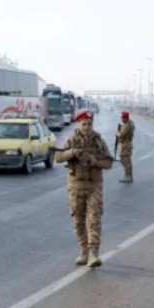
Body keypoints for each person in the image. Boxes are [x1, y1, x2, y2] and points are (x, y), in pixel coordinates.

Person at [55, 110, 114, 267]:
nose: (87, 127)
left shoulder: (99, 142)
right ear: (78, 124)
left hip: (94, 186)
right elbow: (58, 157)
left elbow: (109, 163)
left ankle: (94, 253)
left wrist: (95, 162)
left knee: (94, 219)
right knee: (78, 219)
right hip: (76, 186)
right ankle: (84, 251)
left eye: (89, 124)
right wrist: (72, 152)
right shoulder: (72, 140)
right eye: (84, 124)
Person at [116, 110, 135, 183]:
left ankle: (128, 176)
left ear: (125, 118)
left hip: (126, 145)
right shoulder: (129, 123)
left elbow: (121, 134)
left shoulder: (127, 125)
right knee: (124, 159)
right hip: (126, 144)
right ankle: (128, 175)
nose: (121, 119)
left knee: (126, 160)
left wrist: (118, 133)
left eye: (122, 118)